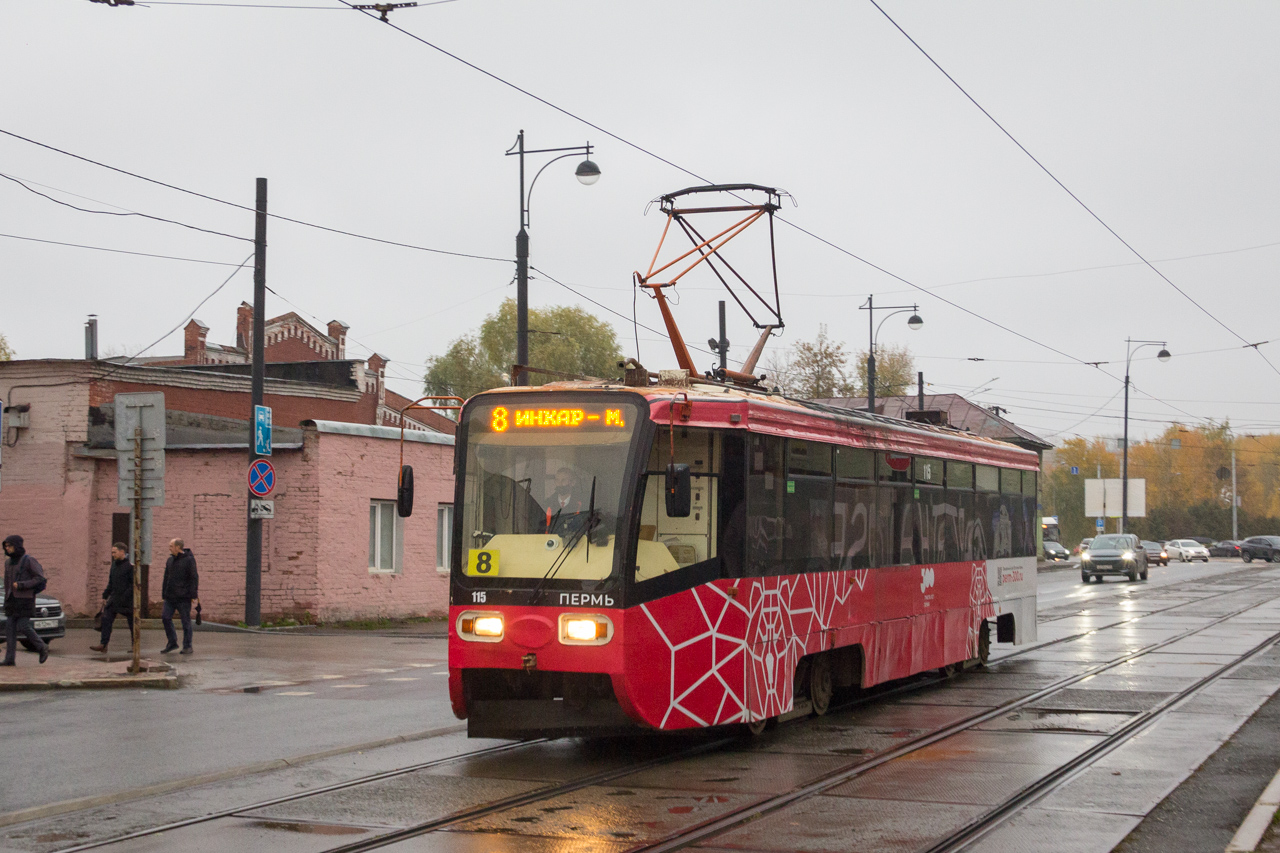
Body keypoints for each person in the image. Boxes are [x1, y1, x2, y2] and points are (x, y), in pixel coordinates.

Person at [2, 535, 50, 666]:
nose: (7, 548)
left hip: (25, 601)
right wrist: (7, 598)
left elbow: (40, 578)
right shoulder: (8, 562)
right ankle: (10, 659)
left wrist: (23, 585)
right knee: (10, 628)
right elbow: (7, 583)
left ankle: (42, 647)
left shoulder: (29, 560)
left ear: (17, 546)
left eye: (10, 545)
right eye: (6, 546)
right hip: (12, 601)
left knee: (22, 626)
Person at [90, 543, 134, 654]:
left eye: (114, 552)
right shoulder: (114, 565)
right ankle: (103, 644)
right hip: (114, 599)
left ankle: (135, 645)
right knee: (106, 619)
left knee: (132, 623)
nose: (112, 554)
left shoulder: (130, 565)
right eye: (112, 552)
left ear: (122, 552)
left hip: (127, 601)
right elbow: (111, 582)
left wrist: (125, 596)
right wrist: (105, 594)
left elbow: (133, 584)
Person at [160, 538, 199, 655]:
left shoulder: (189, 560)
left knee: (185, 621)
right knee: (165, 617)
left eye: (171, 546)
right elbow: (166, 578)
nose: (169, 548)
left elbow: (194, 578)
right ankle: (172, 642)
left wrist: (193, 595)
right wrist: (164, 593)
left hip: (184, 597)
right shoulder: (170, 560)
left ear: (178, 547)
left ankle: (187, 646)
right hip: (170, 596)